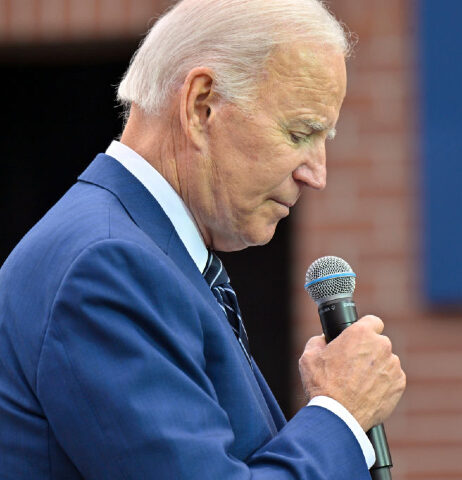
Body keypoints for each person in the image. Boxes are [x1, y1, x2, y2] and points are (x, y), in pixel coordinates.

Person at [0, 0, 406, 478]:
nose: (316, 174)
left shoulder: (137, 252)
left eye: (324, 140)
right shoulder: (107, 266)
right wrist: (341, 415)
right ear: (201, 105)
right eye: (299, 133)